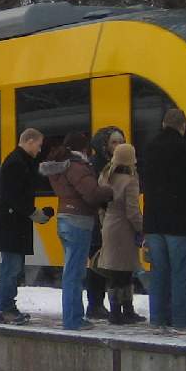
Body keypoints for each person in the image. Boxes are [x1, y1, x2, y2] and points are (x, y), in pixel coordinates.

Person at [139, 108, 186, 330]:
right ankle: (182, 321)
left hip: (153, 222)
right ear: (183, 126)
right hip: (178, 222)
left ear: (163, 124)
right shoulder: (185, 148)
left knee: (159, 273)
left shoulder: (149, 148)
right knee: (180, 273)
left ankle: (158, 318)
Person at [40, 132, 113, 330]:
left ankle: (74, 317)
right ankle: (73, 320)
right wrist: (109, 191)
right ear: (84, 148)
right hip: (78, 220)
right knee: (75, 272)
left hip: (64, 218)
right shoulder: (77, 166)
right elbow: (91, 194)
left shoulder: (60, 165)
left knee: (71, 271)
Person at [0, 128, 51, 324]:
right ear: (30, 141)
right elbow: (14, 196)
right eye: (39, 145)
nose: (40, 149)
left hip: (14, 223)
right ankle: (5, 309)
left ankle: (8, 306)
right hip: (11, 224)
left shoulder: (21, 162)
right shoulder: (16, 163)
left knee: (13, 267)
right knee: (11, 267)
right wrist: (34, 213)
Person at [96, 142, 145, 325]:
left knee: (115, 272)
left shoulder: (104, 177)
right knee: (125, 272)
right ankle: (126, 311)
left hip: (109, 224)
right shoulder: (130, 181)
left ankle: (115, 311)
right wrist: (141, 228)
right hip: (124, 227)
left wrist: (104, 223)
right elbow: (132, 211)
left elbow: (100, 205)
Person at [85, 127, 126, 320]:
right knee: (97, 264)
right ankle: (95, 304)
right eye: (114, 142)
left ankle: (110, 305)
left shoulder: (118, 164)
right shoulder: (96, 165)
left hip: (113, 221)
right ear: (105, 145)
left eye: (121, 142)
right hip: (98, 222)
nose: (118, 146)